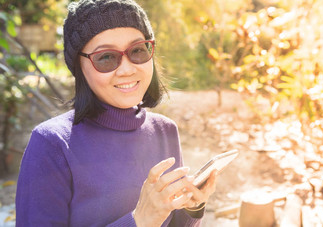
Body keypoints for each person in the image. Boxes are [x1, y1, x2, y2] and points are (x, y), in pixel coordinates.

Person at [15, 0, 217, 226]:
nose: (127, 69)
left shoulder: (165, 130)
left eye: (138, 50)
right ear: (79, 67)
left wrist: (192, 207)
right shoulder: (52, 143)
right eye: (106, 57)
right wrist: (139, 220)